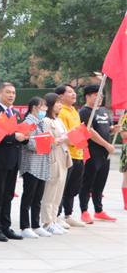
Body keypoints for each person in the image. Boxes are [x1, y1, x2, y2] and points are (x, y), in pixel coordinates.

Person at [0, 82, 28, 242]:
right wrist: (14, 137)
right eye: (8, 92)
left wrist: (25, 137)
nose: (11, 95)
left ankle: (6, 227)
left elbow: (20, 133)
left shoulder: (15, 113)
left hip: (14, 159)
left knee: (8, 194)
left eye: (13, 93)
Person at [79, 85, 117, 223]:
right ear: (88, 96)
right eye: (96, 95)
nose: (100, 98)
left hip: (104, 154)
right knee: (87, 183)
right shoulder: (84, 112)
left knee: (100, 183)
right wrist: (107, 145)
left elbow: (106, 127)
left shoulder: (103, 110)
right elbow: (90, 132)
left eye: (101, 95)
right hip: (91, 153)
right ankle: (84, 211)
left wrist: (113, 129)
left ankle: (99, 210)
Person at [18, 97, 52, 239]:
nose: (45, 109)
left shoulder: (41, 123)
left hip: (42, 164)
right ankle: (25, 226)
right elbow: (28, 143)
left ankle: (36, 225)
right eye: (42, 107)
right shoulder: (27, 123)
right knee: (28, 196)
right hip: (31, 165)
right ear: (34, 107)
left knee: (38, 197)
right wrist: (45, 143)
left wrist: (49, 142)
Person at [41, 93, 73, 235]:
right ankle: (47, 222)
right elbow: (47, 142)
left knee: (59, 191)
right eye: (57, 102)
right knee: (51, 191)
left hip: (64, 155)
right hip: (53, 156)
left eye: (60, 102)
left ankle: (54, 220)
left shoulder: (59, 120)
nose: (60, 105)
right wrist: (62, 139)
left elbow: (68, 139)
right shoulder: (46, 121)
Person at [55, 84, 86, 228]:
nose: (74, 94)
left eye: (74, 92)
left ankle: (68, 215)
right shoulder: (61, 112)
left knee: (73, 188)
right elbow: (65, 134)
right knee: (63, 187)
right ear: (61, 96)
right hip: (67, 154)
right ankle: (57, 215)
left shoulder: (74, 110)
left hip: (78, 154)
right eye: (70, 92)